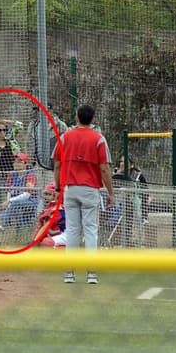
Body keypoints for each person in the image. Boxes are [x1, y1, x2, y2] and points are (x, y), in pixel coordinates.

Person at [54, 104, 114, 285]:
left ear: (76, 117)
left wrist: (58, 187)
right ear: (93, 119)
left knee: (72, 229)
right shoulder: (98, 139)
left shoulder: (65, 137)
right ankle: (91, 273)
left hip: (70, 188)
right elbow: (104, 168)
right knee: (90, 230)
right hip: (90, 189)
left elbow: (57, 164)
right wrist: (110, 192)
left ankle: (69, 272)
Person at [0, 153, 40, 230]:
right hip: (16, 203)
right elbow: (9, 191)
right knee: (16, 211)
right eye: (15, 161)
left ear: (26, 164)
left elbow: (27, 195)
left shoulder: (30, 175)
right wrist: (8, 202)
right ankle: (19, 235)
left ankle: (3, 226)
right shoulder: (12, 174)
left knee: (15, 204)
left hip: (31, 201)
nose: (16, 164)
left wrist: (9, 201)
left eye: (20, 162)